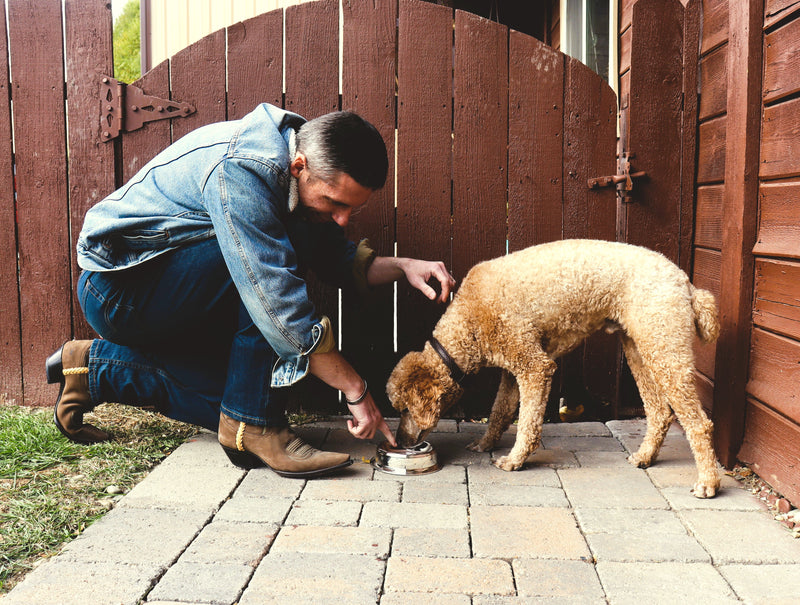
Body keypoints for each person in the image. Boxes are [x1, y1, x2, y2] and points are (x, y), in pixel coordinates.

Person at [46, 103, 455, 478]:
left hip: (172, 292)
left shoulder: (297, 174)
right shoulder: (244, 171)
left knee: (230, 407)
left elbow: (337, 258)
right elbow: (273, 297)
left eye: (352, 209)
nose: (343, 219)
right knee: (269, 271)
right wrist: (355, 388)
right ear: (298, 166)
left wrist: (403, 267)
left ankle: (93, 368)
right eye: (334, 203)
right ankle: (254, 425)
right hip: (121, 293)